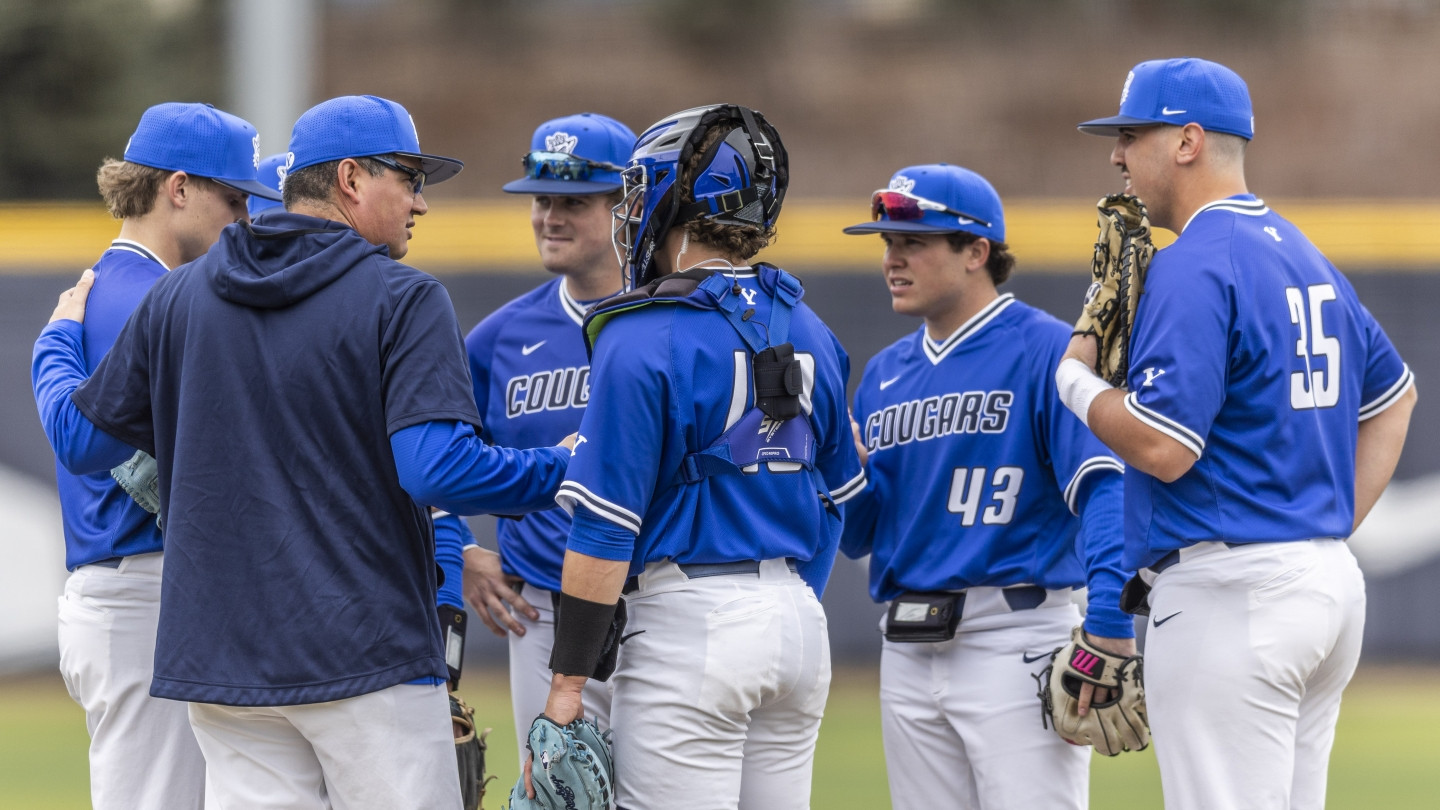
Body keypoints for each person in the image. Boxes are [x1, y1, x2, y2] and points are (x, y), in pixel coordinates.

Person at [34, 94, 573, 810]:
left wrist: (55, 346)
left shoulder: (181, 297)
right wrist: (566, 467)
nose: (420, 203)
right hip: (365, 652)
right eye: (409, 179)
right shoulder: (403, 297)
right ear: (351, 178)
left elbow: (82, 440)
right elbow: (435, 468)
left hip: (226, 670)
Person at [1061, 57, 1417, 809]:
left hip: (1234, 596)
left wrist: (1074, 381)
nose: (1117, 155)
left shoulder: (1195, 262)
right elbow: (1396, 397)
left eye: (1132, 134)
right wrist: (1326, 525)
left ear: (1188, 141)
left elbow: (1162, 447)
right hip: (1320, 585)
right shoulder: (1304, 253)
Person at [534, 104, 866, 809]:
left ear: (672, 198)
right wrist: (788, 594)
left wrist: (565, 687)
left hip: (690, 622)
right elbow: (836, 504)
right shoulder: (812, 325)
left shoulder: (641, 333)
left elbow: (603, 527)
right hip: (798, 625)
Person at [839, 163, 1130, 809]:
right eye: (887, 243)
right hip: (908, 645)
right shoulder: (885, 372)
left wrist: (1110, 618)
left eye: (913, 242)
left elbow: (1105, 490)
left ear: (976, 252)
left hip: (1017, 637)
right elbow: (862, 536)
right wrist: (843, 476)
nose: (893, 258)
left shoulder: (1048, 351)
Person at [29, 101, 278, 810]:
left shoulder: (107, 293)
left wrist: (52, 350)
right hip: (142, 589)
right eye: (233, 198)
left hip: (130, 589)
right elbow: (98, 448)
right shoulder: (156, 296)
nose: (245, 217)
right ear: (177, 188)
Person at [461, 112, 635, 757]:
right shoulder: (498, 338)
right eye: (541, 199)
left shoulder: (675, 318)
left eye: (574, 200)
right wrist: (460, 548)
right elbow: (427, 457)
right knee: (559, 793)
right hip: (542, 609)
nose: (549, 216)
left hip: (657, 601)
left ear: (626, 207)